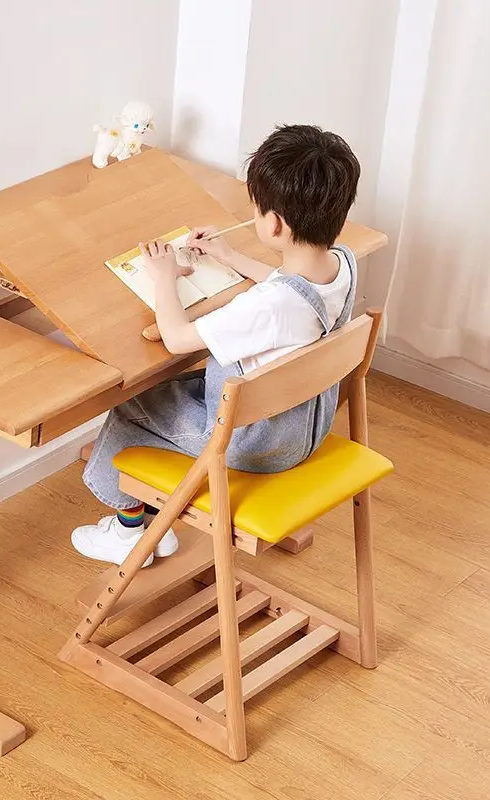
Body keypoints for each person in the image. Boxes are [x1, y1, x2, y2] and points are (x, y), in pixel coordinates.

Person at [73, 124, 361, 567]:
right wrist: (230, 258)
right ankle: (149, 517)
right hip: (307, 428)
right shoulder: (342, 265)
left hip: (254, 445)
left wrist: (164, 276)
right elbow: (292, 291)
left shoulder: (266, 309)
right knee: (179, 388)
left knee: (133, 404)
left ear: (274, 223)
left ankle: (131, 530)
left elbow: (177, 337)